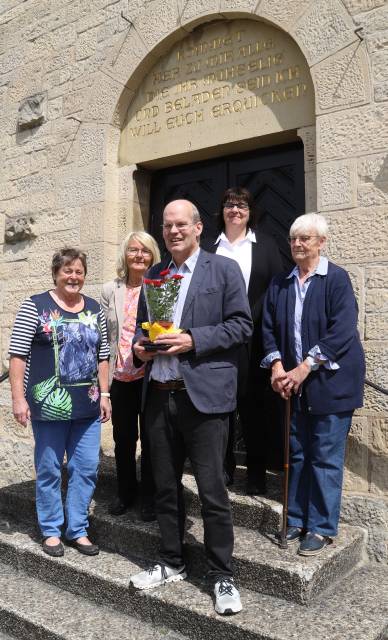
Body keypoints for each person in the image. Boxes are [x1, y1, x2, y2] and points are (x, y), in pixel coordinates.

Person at [129, 199, 252, 615]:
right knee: (165, 486)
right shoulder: (154, 275)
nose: (174, 231)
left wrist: (193, 339)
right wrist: (140, 352)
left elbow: (241, 325)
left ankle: (222, 574)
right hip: (160, 394)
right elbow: (140, 334)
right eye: (167, 226)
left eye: (182, 224)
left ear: (199, 228)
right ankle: (170, 561)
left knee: (213, 491)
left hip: (204, 397)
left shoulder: (223, 270)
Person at [261, 213, 365, 556]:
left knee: (324, 456)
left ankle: (320, 525)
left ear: (321, 242)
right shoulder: (281, 283)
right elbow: (268, 328)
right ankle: (295, 516)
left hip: (330, 384)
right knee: (299, 452)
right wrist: (277, 365)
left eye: (305, 238)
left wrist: (305, 367)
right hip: (293, 384)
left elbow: (343, 329)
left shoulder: (335, 279)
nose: (297, 244)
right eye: (293, 239)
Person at [9, 247, 111, 558]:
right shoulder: (34, 306)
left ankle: (77, 529)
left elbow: (103, 355)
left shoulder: (94, 309)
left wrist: (105, 394)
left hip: (88, 407)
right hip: (49, 406)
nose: (73, 276)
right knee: (50, 468)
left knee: (87, 468)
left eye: (79, 271)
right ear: (55, 273)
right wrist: (18, 398)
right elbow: (18, 355)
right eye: (67, 270)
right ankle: (51, 529)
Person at [202, 187, 283, 494]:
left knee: (253, 410)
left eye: (242, 206)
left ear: (251, 212)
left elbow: (276, 290)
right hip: (216, 339)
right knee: (218, 408)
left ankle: (257, 474)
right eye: (229, 205)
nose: (235, 210)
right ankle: (222, 471)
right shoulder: (208, 247)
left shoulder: (265, 246)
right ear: (221, 211)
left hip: (255, 340)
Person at [100, 231, 160, 520]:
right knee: (124, 439)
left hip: (149, 376)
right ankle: (125, 492)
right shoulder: (110, 290)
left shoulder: (160, 288)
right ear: (125, 254)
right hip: (120, 376)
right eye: (134, 250)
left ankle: (149, 496)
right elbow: (102, 337)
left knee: (151, 439)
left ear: (153, 256)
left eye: (145, 251)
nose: (139, 255)